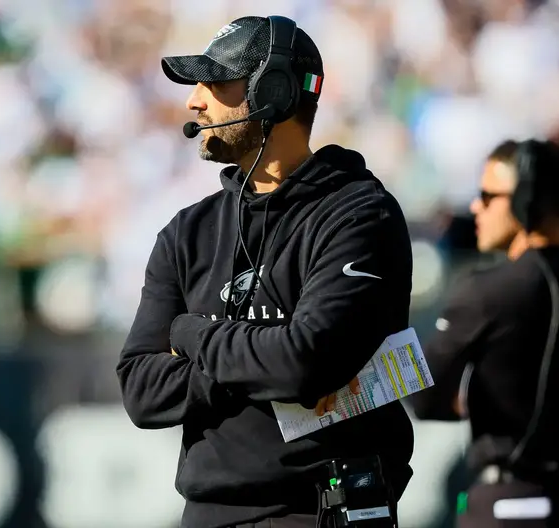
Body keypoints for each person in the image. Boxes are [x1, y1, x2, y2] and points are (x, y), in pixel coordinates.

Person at [116, 15, 415, 528]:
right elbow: (141, 391)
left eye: (214, 82)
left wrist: (191, 334)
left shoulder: (360, 215)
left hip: (323, 514)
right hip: (211, 515)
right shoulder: (186, 232)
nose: (194, 100)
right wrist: (260, 357)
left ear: (271, 91)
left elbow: (302, 363)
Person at [409, 139, 559, 527]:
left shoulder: (489, 290)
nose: (475, 207)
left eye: (487, 195)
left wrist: (474, 398)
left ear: (524, 200)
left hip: (507, 507)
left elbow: (425, 395)